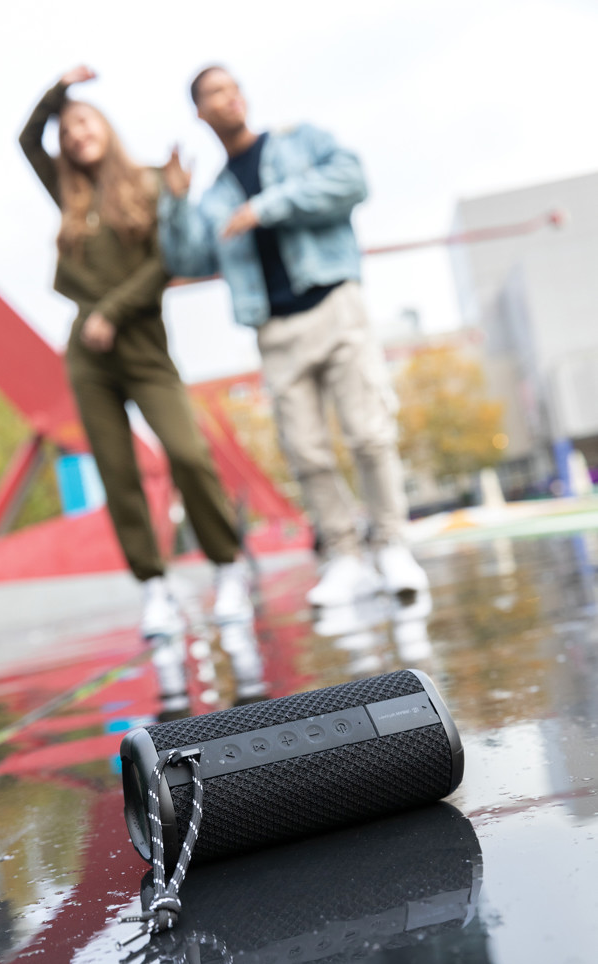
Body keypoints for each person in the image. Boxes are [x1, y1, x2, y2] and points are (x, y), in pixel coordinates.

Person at [159, 66, 428, 606]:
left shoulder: (300, 141)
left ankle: (392, 545)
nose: (229, 98)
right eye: (214, 93)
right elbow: (189, 258)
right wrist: (176, 204)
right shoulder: (214, 195)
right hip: (274, 327)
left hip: (334, 301)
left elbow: (352, 182)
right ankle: (344, 555)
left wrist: (267, 207)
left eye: (233, 88)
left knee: (369, 433)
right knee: (305, 451)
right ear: (199, 113)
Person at [19, 66, 252, 637]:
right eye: (66, 131)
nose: (76, 135)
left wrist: (112, 312)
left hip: (143, 347)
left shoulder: (150, 183)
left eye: (84, 122)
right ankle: (154, 586)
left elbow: (165, 262)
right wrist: (60, 90)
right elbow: (27, 139)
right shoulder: (68, 193)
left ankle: (227, 567)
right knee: (117, 472)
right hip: (89, 358)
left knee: (188, 453)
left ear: (106, 126)